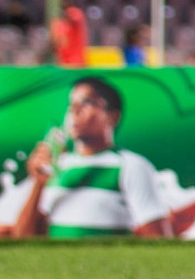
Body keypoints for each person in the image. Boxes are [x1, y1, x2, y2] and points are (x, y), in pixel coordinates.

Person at [13, 76, 173, 238]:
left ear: (112, 117)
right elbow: (22, 239)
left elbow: (158, 239)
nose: (74, 111)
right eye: (71, 104)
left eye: (87, 103)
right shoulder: (55, 166)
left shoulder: (131, 165)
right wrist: (38, 183)